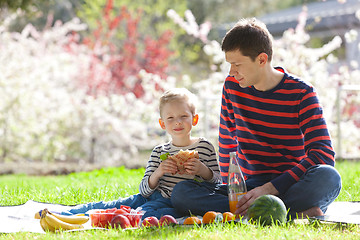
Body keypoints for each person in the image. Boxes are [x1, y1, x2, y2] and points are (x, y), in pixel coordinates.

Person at [171, 18, 342, 219]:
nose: (231, 72)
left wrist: (271, 189)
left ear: (261, 60)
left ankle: (259, 211)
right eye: (229, 64)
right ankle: (289, 212)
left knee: (329, 177)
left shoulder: (302, 93)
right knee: (181, 193)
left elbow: (323, 154)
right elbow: (227, 141)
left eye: (237, 64)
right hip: (249, 187)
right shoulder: (232, 87)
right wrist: (230, 188)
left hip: (291, 183)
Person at [59, 88, 221, 220]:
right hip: (153, 195)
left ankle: (117, 219)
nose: (177, 122)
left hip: (173, 204)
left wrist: (202, 170)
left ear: (194, 119)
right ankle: (64, 214)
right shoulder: (159, 152)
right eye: (170, 118)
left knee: (145, 214)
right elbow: (144, 190)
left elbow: (217, 183)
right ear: (162, 124)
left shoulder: (204, 147)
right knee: (113, 204)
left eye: (183, 116)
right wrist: (159, 172)